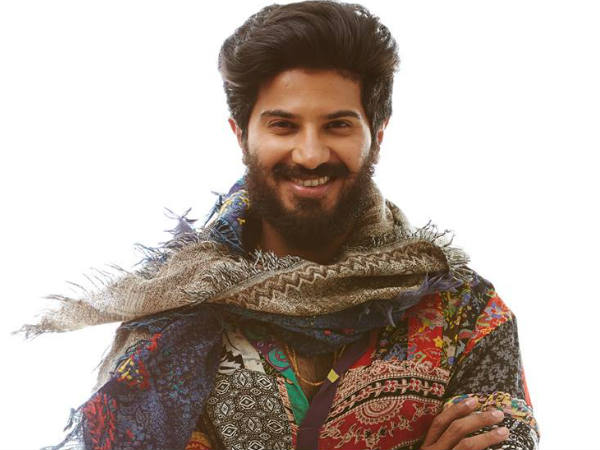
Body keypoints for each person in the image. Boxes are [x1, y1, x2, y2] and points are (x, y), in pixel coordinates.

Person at [24, 1, 539, 449]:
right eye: (283, 125)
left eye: (337, 125)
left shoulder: (465, 311)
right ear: (241, 134)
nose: (310, 154)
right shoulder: (172, 316)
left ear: (377, 135)